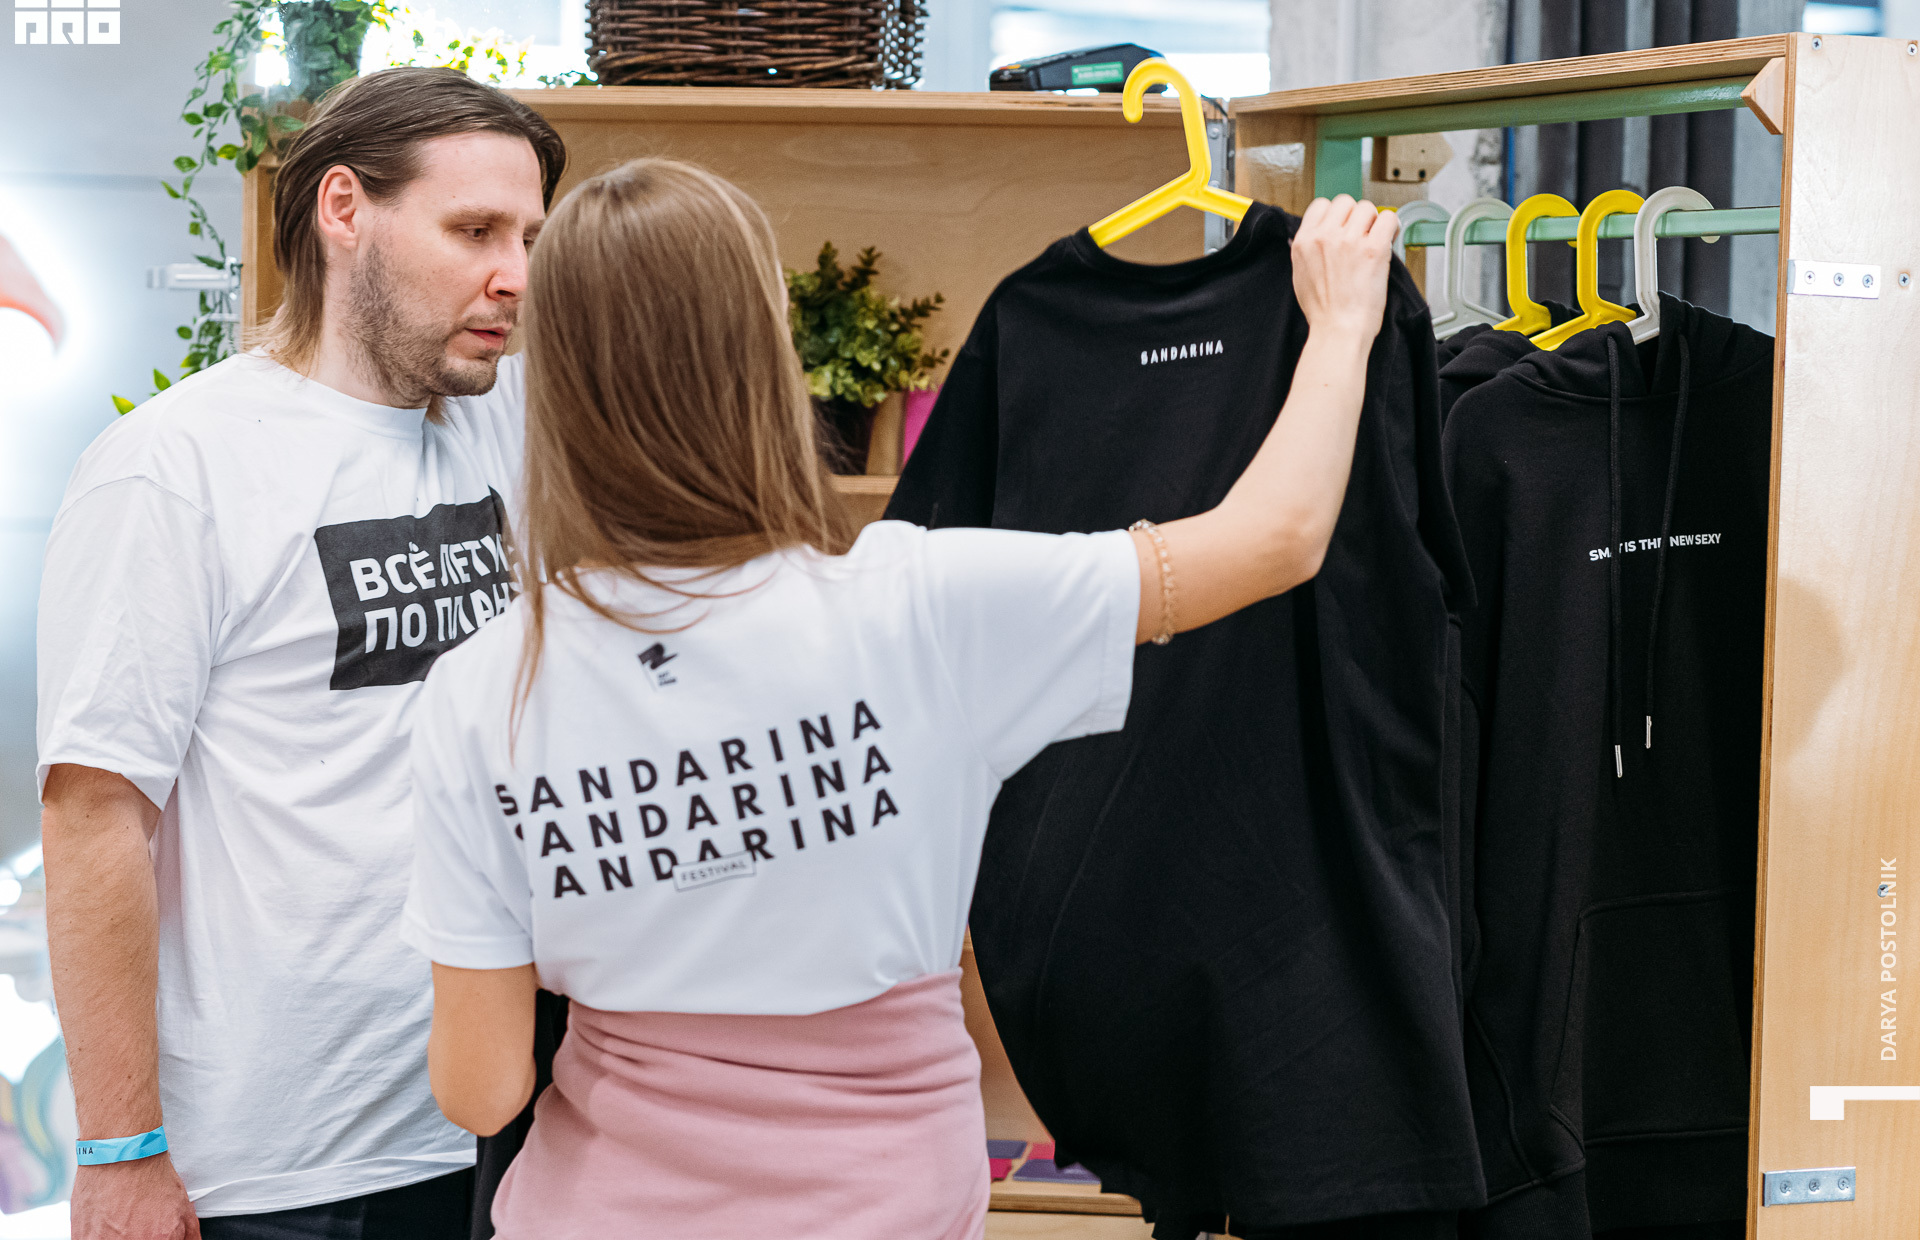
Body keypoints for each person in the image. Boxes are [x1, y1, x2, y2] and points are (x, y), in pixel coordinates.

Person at [399, 156, 1401, 1240]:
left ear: (555, 376)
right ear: (763, 350)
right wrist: (1342, 326)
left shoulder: (484, 686)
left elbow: (482, 1090)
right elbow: (1275, 538)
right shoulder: (919, 604)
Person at [35, 67, 564, 1240]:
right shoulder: (175, 467)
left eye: (529, 237)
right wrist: (121, 1149)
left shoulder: (506, 419)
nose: (516, 275)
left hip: (500, 1116)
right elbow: (92, 816)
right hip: (285, 1169)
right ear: (343, 209)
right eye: (475, 230)